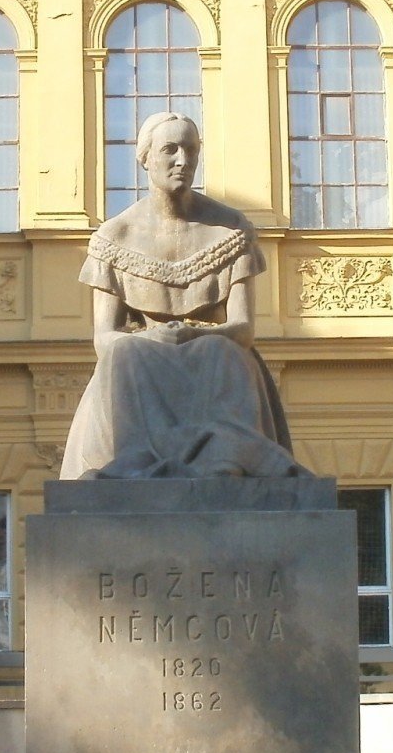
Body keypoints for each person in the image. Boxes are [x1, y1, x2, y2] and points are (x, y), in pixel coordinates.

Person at [61, 112, 305, 479]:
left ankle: (225, 456)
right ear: (145, 157)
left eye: (191, 150)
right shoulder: (115, 236)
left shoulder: (230, 228)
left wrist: (195, 333)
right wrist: (154, 337)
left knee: (220, 350)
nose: (183, 161)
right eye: (170, 149)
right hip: (143, 353)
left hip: (211, 348)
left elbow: (242, 329)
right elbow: (104, 338)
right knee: (124, 351)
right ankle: (136, 461)